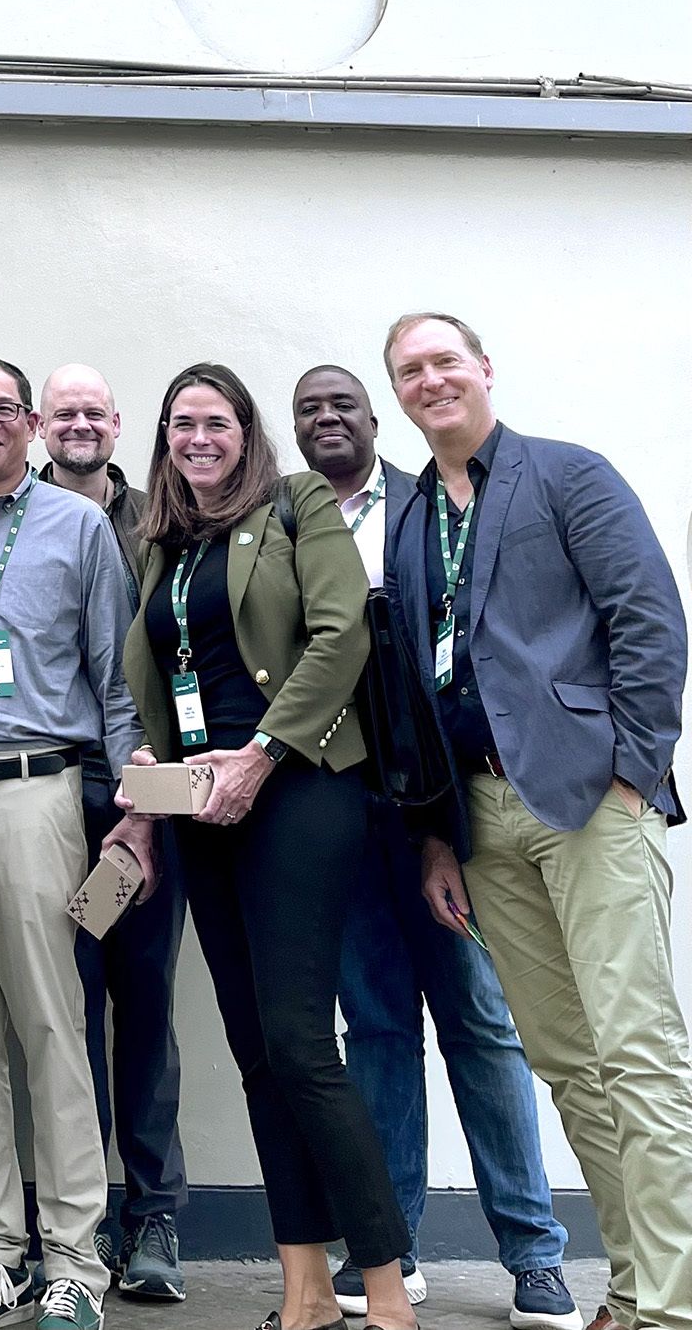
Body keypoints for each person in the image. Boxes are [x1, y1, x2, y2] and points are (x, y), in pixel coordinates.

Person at [381, 314, 692, 1330]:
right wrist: (435, 833)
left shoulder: (567, 474)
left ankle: (671, 1306)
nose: (428, 381)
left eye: (441, 362)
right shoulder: (410, 514)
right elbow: (418, 687)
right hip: (477, 820)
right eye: (408, 371)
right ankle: (637, 1284)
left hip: (587, 803)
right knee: (564, 1061)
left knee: (635, 1051)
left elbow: (646, 617)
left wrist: (634, 773)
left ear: (481, 370)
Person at [120, 364, 415, 1330]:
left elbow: (340, 639)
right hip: (202, 811)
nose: (197, 438)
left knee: (299, 1046)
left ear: (246, 432)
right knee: (256, 1055)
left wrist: (261, 753)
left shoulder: (297, 508)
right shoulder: (164, 542)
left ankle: (385, 1295)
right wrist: (151, 762)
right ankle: (303, 1297)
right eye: (180, 425)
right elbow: (169, 674)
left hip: (297, 793)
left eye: (216, 422)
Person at [291, 364, 578, 1330]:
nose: (326, 419)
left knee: (482, 1025)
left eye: (343, 405)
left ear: (376, 420)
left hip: (438, 806)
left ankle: (535, 1252)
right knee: (372, 1029)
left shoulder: (429, 509)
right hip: (336, 811)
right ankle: (393, 1244)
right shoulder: (288, 525)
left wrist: (440, 823)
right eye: (308, 410)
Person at [0, 357, 150, 1330]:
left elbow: (116, 674)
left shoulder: (78, 527)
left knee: (51, 1032)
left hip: (37, 795)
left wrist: (135, 811)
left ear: (34, 424)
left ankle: (73, 1264)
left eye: (6, 408)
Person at [38, 364, 188, 1304]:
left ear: (117, 423)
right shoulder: (16, 524)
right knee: (65, 1014)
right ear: (39, 427)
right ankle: (73, 1222)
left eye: (95, 411)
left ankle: (155, 1215)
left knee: (144, 1006)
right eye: (65, 412)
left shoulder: (161, 522)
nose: (81, 423)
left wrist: (153, 808)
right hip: (49, 805)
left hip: (144, 805)